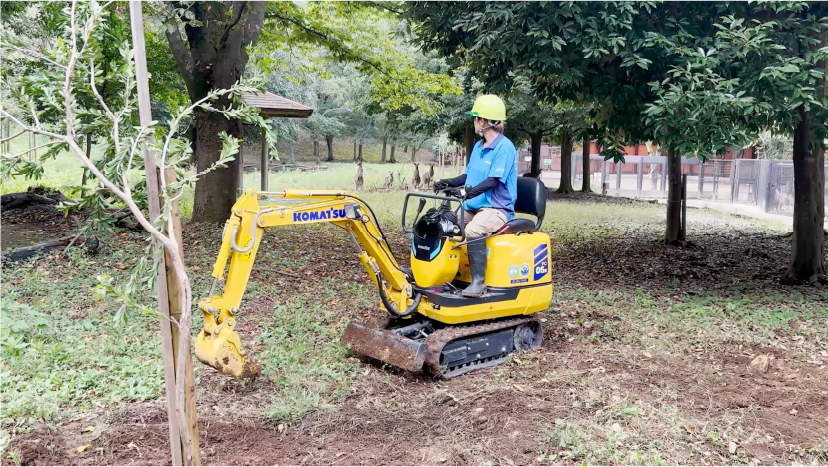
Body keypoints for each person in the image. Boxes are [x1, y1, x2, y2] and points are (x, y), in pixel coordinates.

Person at [434, 94, 517, 297]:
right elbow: (468, 175)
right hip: (474, 205)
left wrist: (464, 192)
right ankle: (446, 275)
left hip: (497, 209)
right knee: (446, 223)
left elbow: (493, 181)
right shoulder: (479, 147)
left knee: (473, 230)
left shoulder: (504, 147)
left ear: (483, 121)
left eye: (475, 118)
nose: (474, 123)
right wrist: (448, 182)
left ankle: (478, 283)